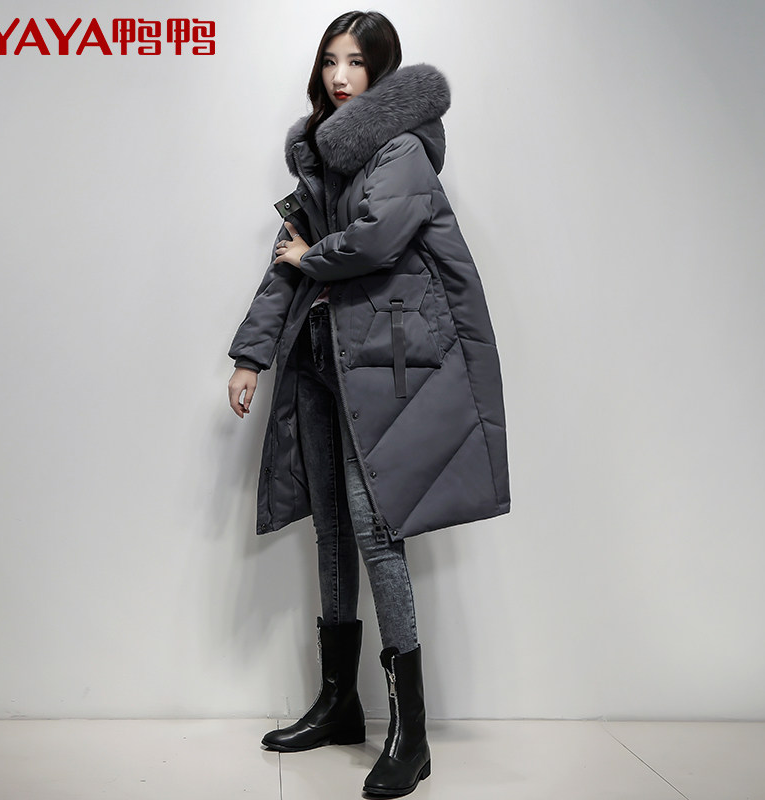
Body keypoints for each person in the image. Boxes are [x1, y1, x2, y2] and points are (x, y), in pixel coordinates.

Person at [227, 10, 510, 798]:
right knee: (332, 530)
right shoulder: (322, 162)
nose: (340, 75)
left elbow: (378, 239)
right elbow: (283, 268)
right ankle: (339, 704)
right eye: (330, 61)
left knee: (377, 533)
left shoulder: (401, 150)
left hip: (383, 369)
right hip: (320, 363)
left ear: (382, 72)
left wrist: (310, 253)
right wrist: (251, 355)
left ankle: (410, 735)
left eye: (355, 61)